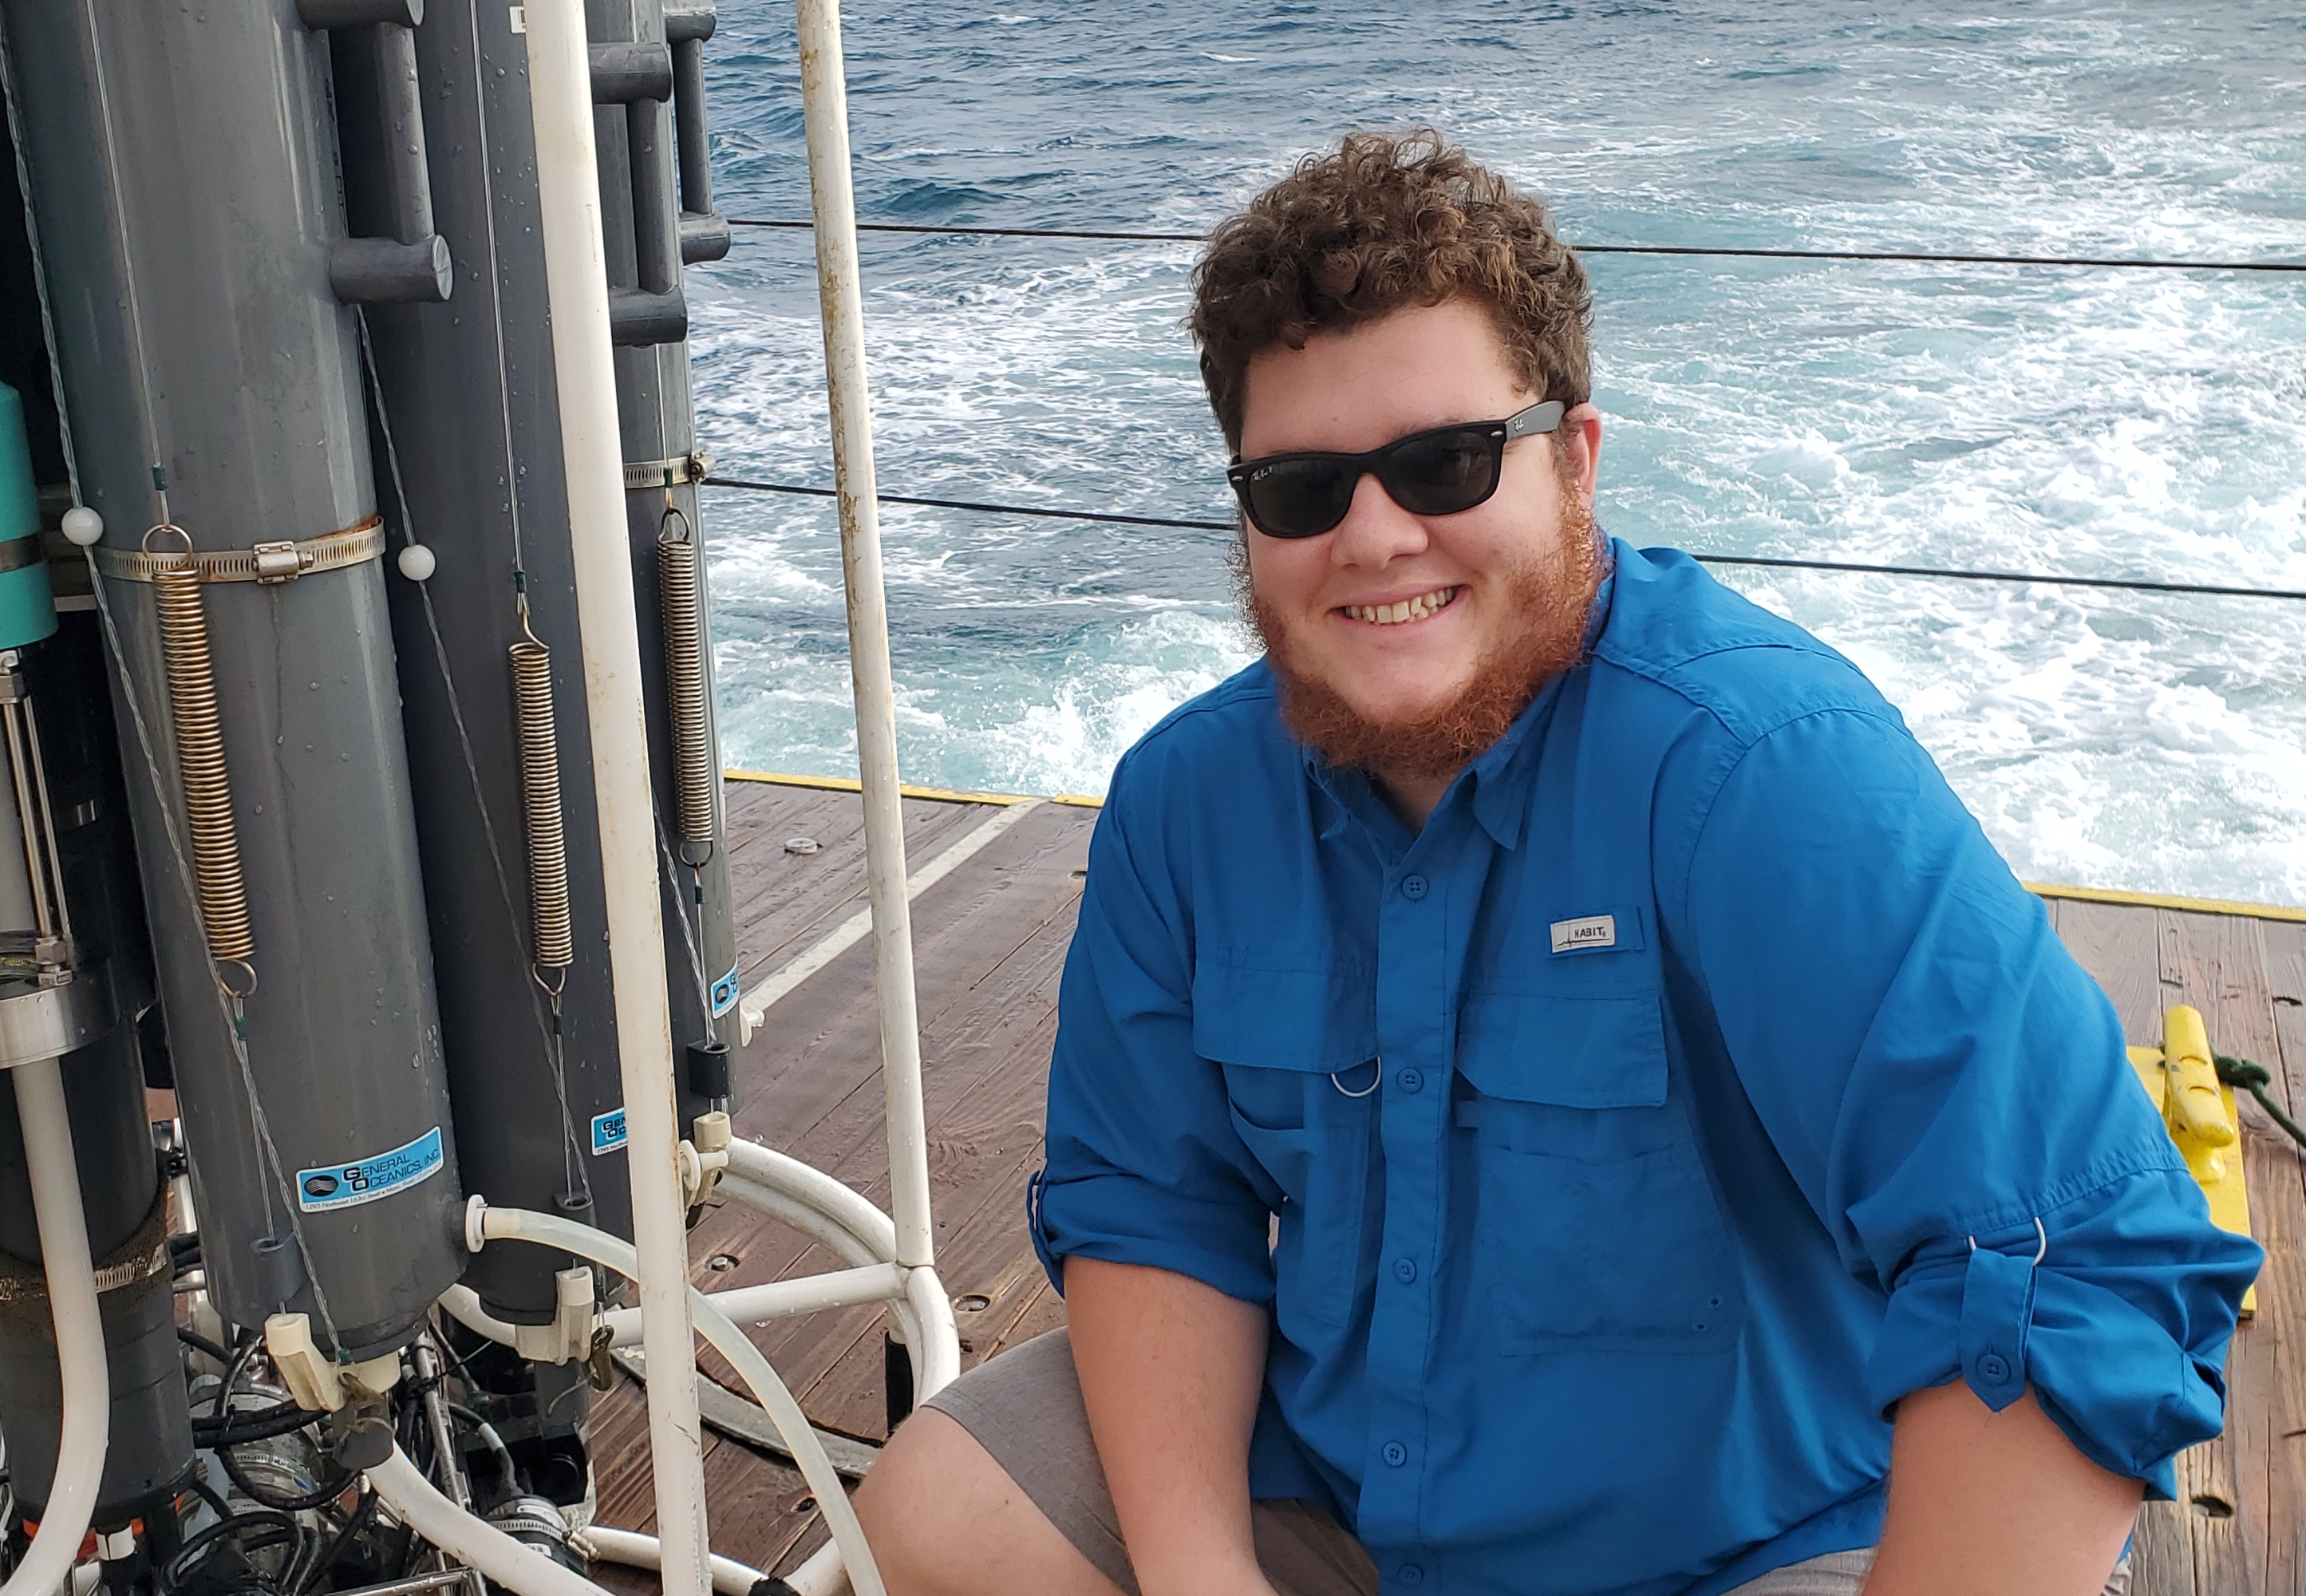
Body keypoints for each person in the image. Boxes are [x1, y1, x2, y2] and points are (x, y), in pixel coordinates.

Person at [852, 128, 2260, 1596]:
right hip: (1348, 1493)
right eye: (1302, 488)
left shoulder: (1760, 769)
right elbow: (1156, 1206)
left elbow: (2070, 1264)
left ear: (1573, 460)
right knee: (943, 1509)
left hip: (1765, 1546)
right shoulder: (1184, 802)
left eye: (1446, 462)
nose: (1377, 536)